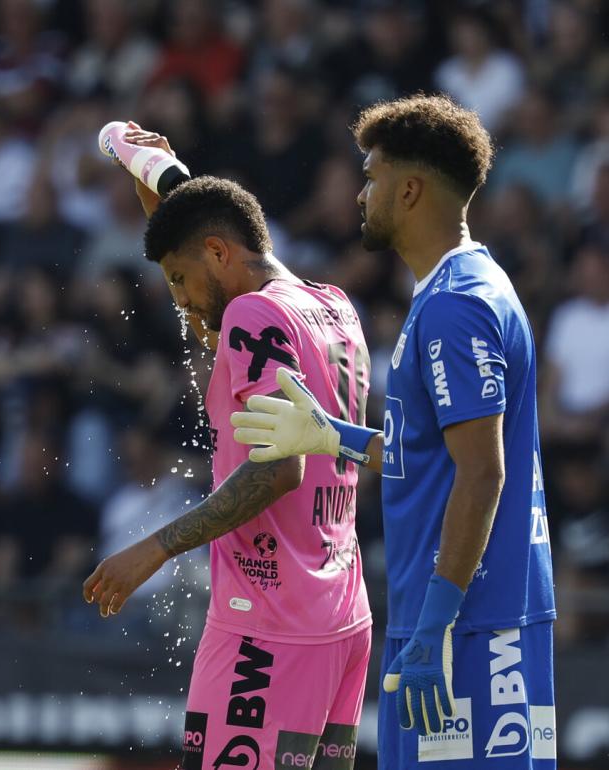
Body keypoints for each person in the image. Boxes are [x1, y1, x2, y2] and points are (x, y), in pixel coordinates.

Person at [232, 94, 557, 769]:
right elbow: (431, 455)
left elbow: (484, 471)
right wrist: (332, 436)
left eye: (372, 176)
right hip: (463, 614)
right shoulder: (461, 289)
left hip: (469, 627)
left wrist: (435, 629)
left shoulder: (456, 307)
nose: (361, 194)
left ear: (409, 189)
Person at [82, 128, 373, 769]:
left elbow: (279, 471)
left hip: (266, 624)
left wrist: (154, 548)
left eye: (181, 279)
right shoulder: (334, 308)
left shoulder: (253, 318)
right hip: (340, 615)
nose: (180, 300)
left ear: (217, 252)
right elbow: (213, 237)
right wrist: (161, 183)